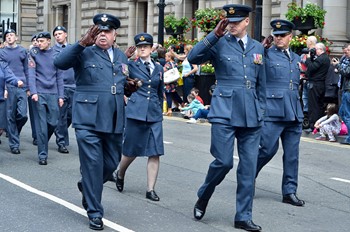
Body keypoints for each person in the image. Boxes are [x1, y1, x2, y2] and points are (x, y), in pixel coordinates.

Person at [54, 13, 140, 230]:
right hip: (88, 119)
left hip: (113, 119)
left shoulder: (121, 56)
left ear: (114, 35)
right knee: (93, 165)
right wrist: (83, 42)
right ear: (93, 33)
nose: (103, 35)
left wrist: (128, 86)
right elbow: (60, 62)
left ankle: (87, 186)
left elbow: (117, 81)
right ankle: (94, 211)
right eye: (98, 31)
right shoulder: (83, 51)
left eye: (107, 31)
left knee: (110, 164)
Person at [188, 4, 266, 231]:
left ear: (246, 23)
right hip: (224, 109)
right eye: (229, 21)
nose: (231, 25)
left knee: (248, 168)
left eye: (236, 22)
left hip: (251, 113)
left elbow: (262, 82)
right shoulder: (219, 43)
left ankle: (243, 216)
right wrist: (214, 33)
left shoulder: (258, 47)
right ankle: (204, 194)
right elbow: (194, 57)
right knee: (223, 162)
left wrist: (261, 110)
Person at [255, 19, 305, 208]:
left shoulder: (295, 57)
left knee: (292, 155)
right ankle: (248, 177)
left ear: (290, 37)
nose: (278, 38)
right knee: (267, 149)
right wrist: (262, 47)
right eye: (276, 35)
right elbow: (254, 64)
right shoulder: (266, 54)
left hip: (293, 111)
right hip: (273, 110)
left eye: (282, 35)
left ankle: (289, 191)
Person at [114, 33, 164, 202]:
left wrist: (160, 107)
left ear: (151, 48)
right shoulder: (130, 65)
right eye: (140, 46)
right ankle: (120, 173)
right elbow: (117, 74)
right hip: (135, 112)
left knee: (155, 151)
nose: (143, 49)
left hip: (154, 114)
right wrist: (124, 56)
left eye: (146, 46)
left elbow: (159, 91)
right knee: (131, 151)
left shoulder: (158, 68)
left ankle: (150, 189)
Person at [28, 31, 64, 165]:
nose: (38, 44)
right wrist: (33, 92)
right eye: (38, 41)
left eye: (42, 41)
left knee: (53, 122)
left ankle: (43, 140)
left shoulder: (56, 55)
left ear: (49, 41)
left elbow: (60, 77)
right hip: (39, 92)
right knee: (42, 126)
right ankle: (42, 155)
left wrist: (61, 95)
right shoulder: (34, 53)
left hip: (53, 93)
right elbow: (31, 74)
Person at [0, 29, 29, 154]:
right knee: (10, 116)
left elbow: (28, 69)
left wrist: (29, 88)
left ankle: (13, 131)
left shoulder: (23, 51)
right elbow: (3, 72)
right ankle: (14, 145)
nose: (9, 37)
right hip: (9, 86)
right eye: (7, 36)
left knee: (22, 115)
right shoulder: (2, 52)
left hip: (22, 86)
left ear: (16, 37)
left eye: (11, 35)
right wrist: (5, 88)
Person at [52, 26, 76, 153]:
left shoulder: (73, 49)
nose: (58, 36)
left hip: (74, 86)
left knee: (71, 116)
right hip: (60, 87)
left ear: (66, 34)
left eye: (60, 33)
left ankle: (58, 130)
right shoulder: (52, 51)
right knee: (61, 116)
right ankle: (62, 142)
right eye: (55, 34)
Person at [305, 42, 330, 130]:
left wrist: (308, 59)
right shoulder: (326, 58)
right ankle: (318, 125)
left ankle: (313, 125)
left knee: (313, 105)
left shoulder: (321, 59)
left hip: (315, 84)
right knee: (319, 106)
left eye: (315, 49)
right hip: (321, 84)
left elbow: (311, 68)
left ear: (321, 50)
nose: (314, 51)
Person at [0, 61, 24, 145]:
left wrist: (16, 81)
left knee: (1, 127)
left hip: (1, 99)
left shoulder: (2, 64)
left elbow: (9, 75)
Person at [332, 44, 350, 145]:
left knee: (346, 115)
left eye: (348, 50)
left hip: (348, 91)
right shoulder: (346, 59)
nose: (346, 52)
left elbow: (347, 72)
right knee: (343, 113)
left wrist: (338, 65)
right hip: (346, 90)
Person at [300, 36, 317, 130]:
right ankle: (305, 118)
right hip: (304, 79)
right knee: (304, 99)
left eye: (307, 41)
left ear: (311, 42)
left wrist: (306, 59)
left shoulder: (316, 53)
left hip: (312, 80)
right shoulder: (305, 53)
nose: (306, 43)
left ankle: (310, 122)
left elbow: (312, 65)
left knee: (310, 100)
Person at [163, 51, 183, 116]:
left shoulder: (167, 64)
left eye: (166, 56)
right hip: (174, 82)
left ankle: (169, 109)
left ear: (169, 57)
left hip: (168, 82)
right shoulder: (175, 64)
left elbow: (163, 71)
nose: (165, 58)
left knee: (168, 94)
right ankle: (182, 103)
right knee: (174, 94)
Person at [27, 33, 39, 146]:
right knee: (34, 113)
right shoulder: (28, 54)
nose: (36, 42)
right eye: (34, 40)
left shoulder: (48, 53)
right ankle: (36, 136)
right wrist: (29, 88)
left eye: (38, 40)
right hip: (33, 88)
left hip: (46, 89)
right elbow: (27, 72)